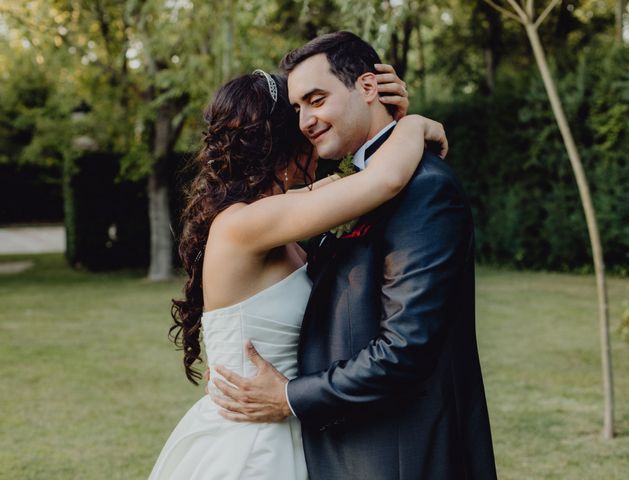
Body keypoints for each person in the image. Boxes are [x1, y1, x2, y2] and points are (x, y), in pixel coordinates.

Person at [212, 31, 497, 479]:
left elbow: (404, 348)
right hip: (324, 447)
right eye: (297, 109)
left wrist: (289, 396)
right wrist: (413, 123)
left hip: (400, 456)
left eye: (316, 99)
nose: (306, 121)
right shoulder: (336, 195)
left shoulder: (424, 187)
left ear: (367, 88)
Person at [148, 64, 448, 479]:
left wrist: (384, 117)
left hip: (291, 424)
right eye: (303, 119)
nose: (314, 127)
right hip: (253, 447)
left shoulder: (276, 212)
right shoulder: (246, 224)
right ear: (285, 141)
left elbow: (360, 179)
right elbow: (385, 180)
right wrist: (414, 125)